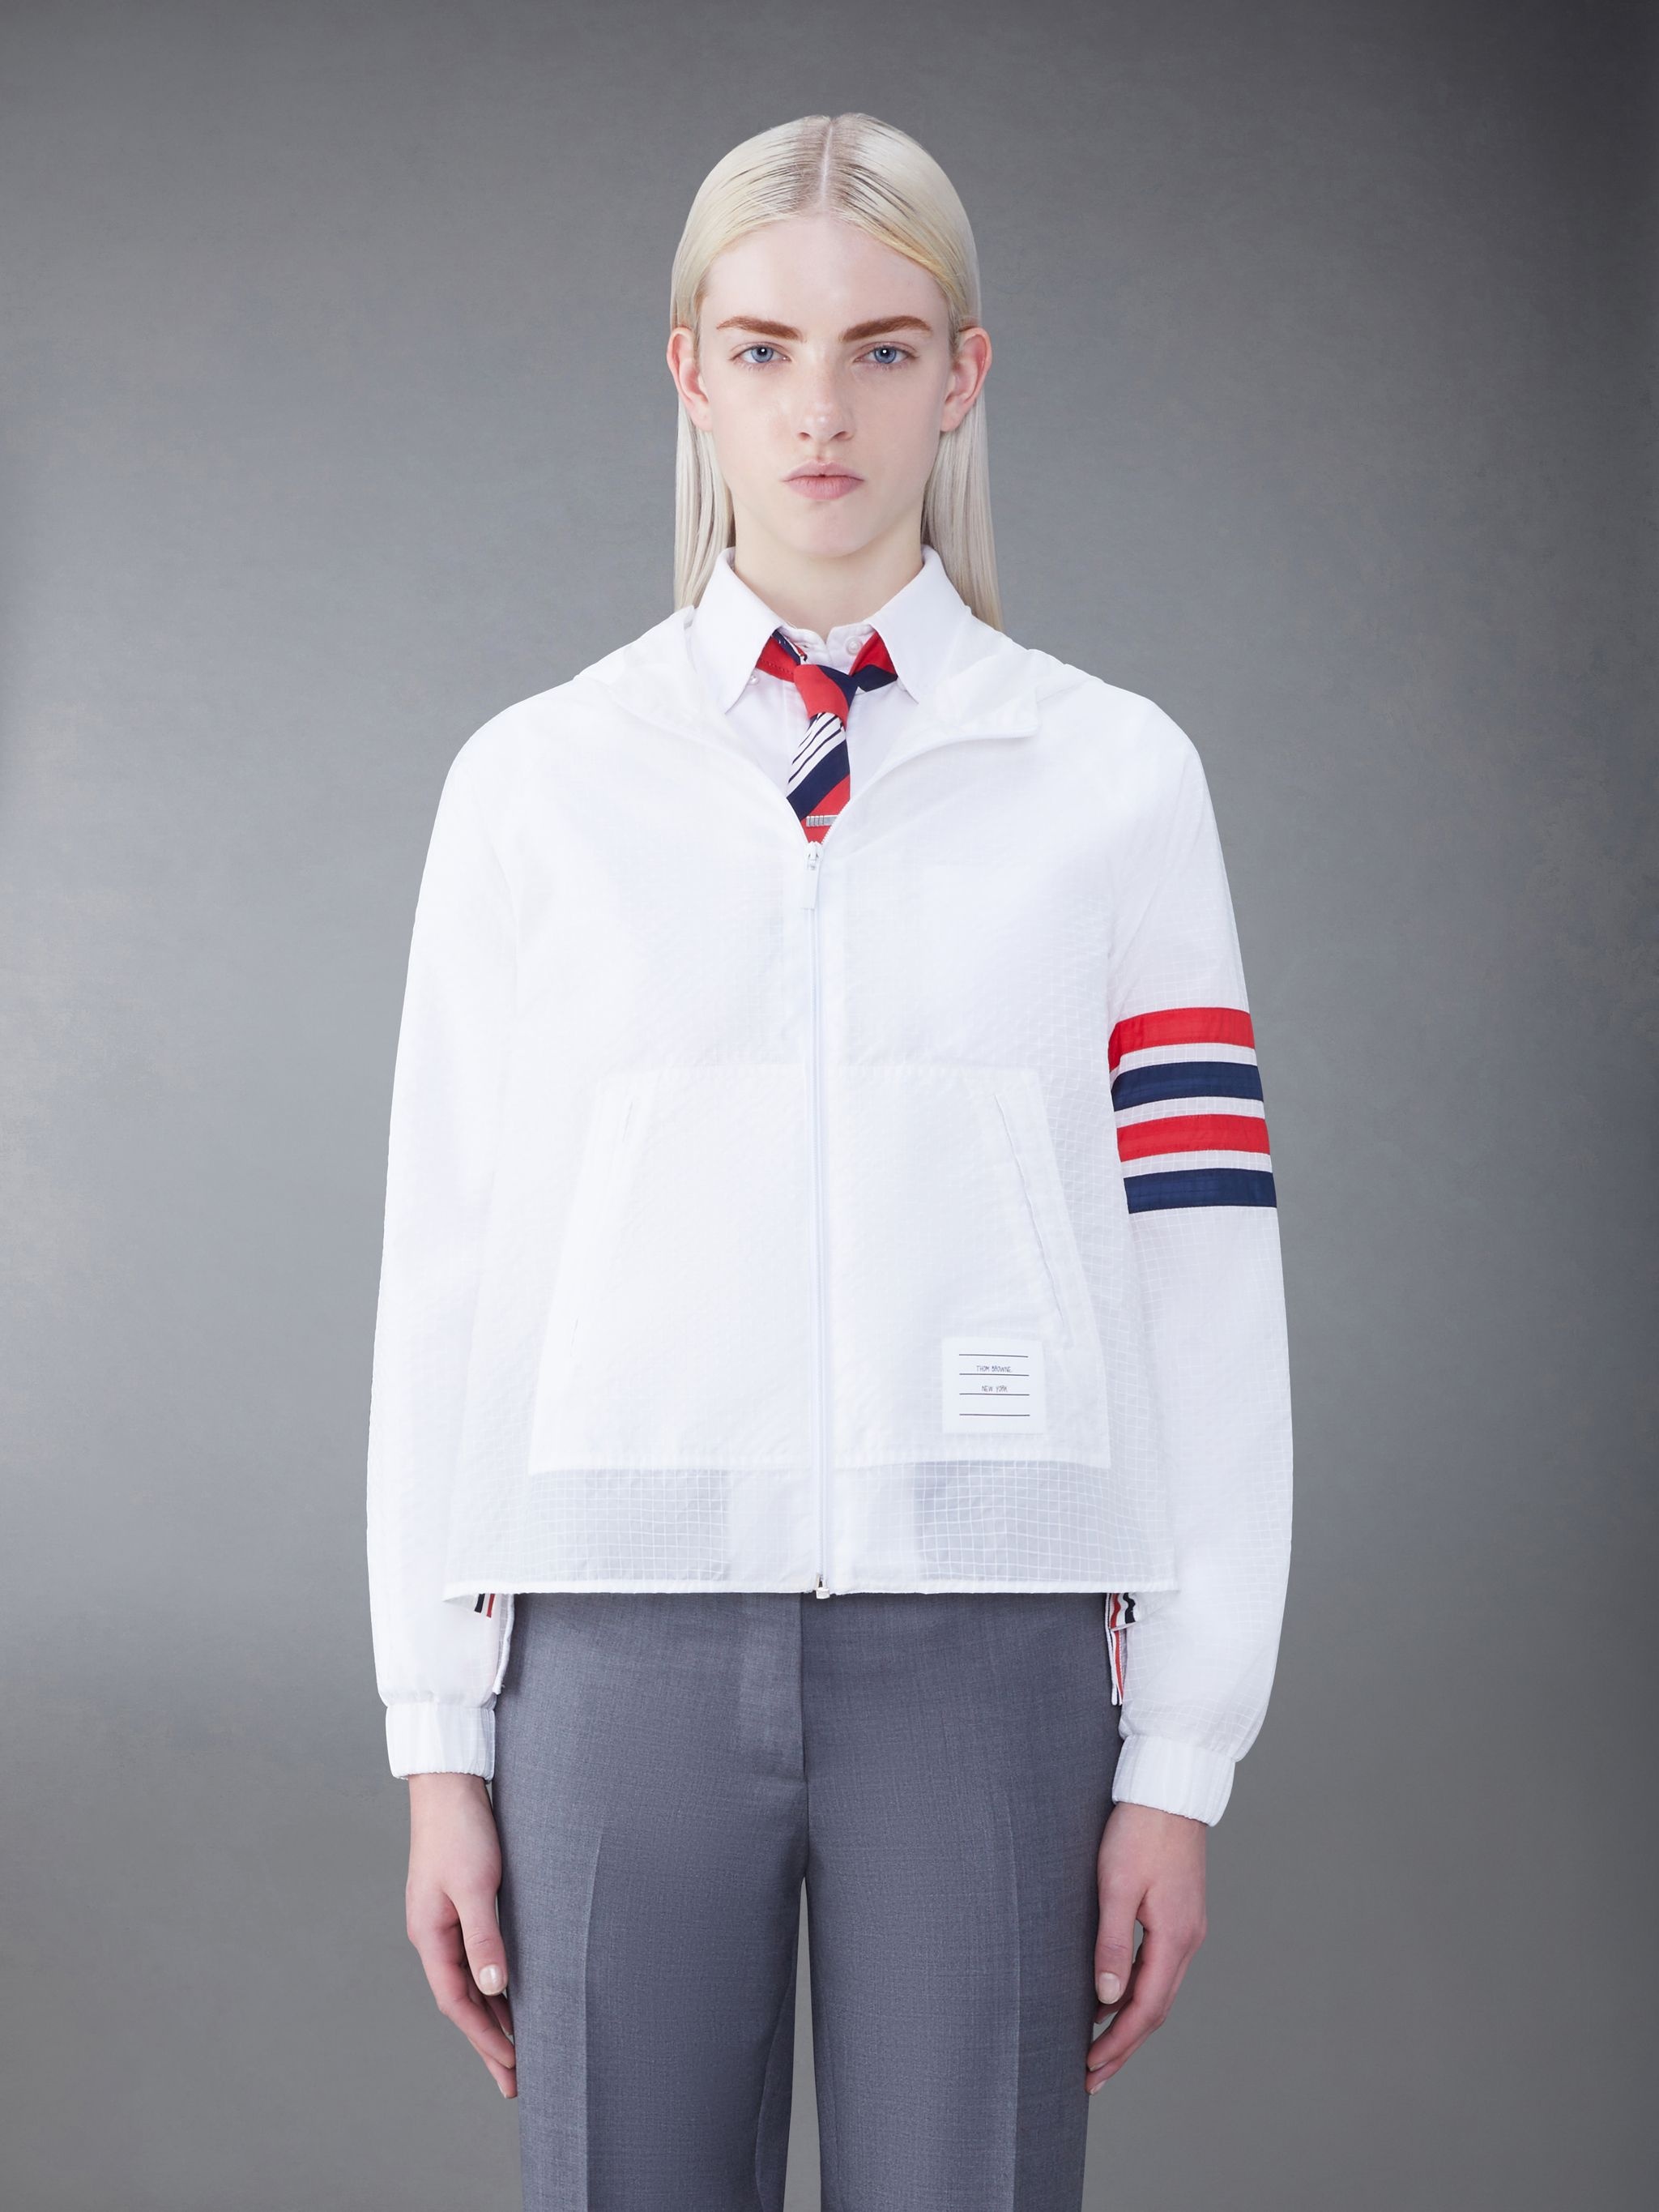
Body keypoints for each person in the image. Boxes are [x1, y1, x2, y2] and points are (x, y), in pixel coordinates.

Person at [365, 111, 1294, 2212]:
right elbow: (447, 1271)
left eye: (882, 350)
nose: (822, 409)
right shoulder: (536, 786)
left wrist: (1182, 1752)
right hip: (607, 1644)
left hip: (996, 1648)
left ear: (962, 379)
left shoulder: (1115, 780)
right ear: (688, 374)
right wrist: (439, 1734)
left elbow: (1202, 1271)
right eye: (766, 349)